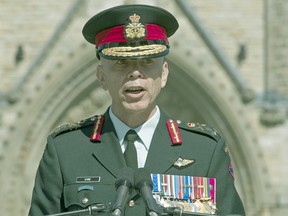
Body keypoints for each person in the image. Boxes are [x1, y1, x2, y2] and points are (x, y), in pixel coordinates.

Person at [28, 4, 245, 216]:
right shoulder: (66, 150)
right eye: (121, 63)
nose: (135, 73)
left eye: (147, 61)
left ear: (165, 74)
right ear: (102, 76)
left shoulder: (204, 151)